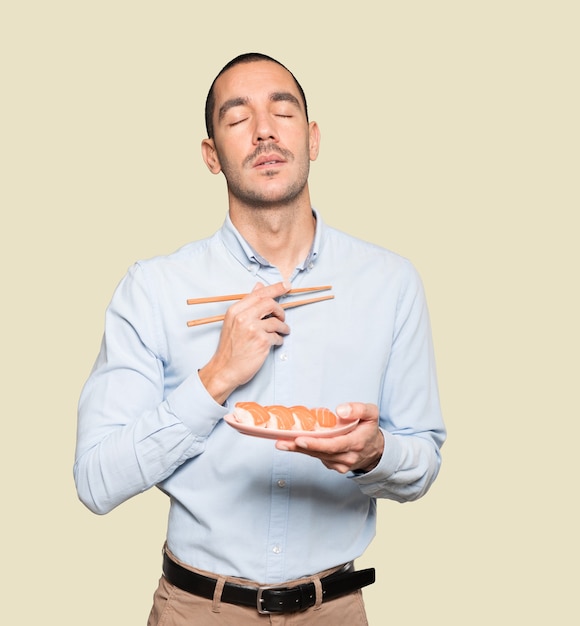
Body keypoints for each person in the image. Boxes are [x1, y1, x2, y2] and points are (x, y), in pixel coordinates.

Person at [74, 52, 446, 625]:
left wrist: (375, 454)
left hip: (334, 609)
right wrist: (216, 376)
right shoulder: (154, 289)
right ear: (211, 155)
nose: (265, 130)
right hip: (197, 609)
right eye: (236, 117)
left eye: (283, 110)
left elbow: (421, 458)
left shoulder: (389, 283)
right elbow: (97, 481)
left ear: (313, 138)